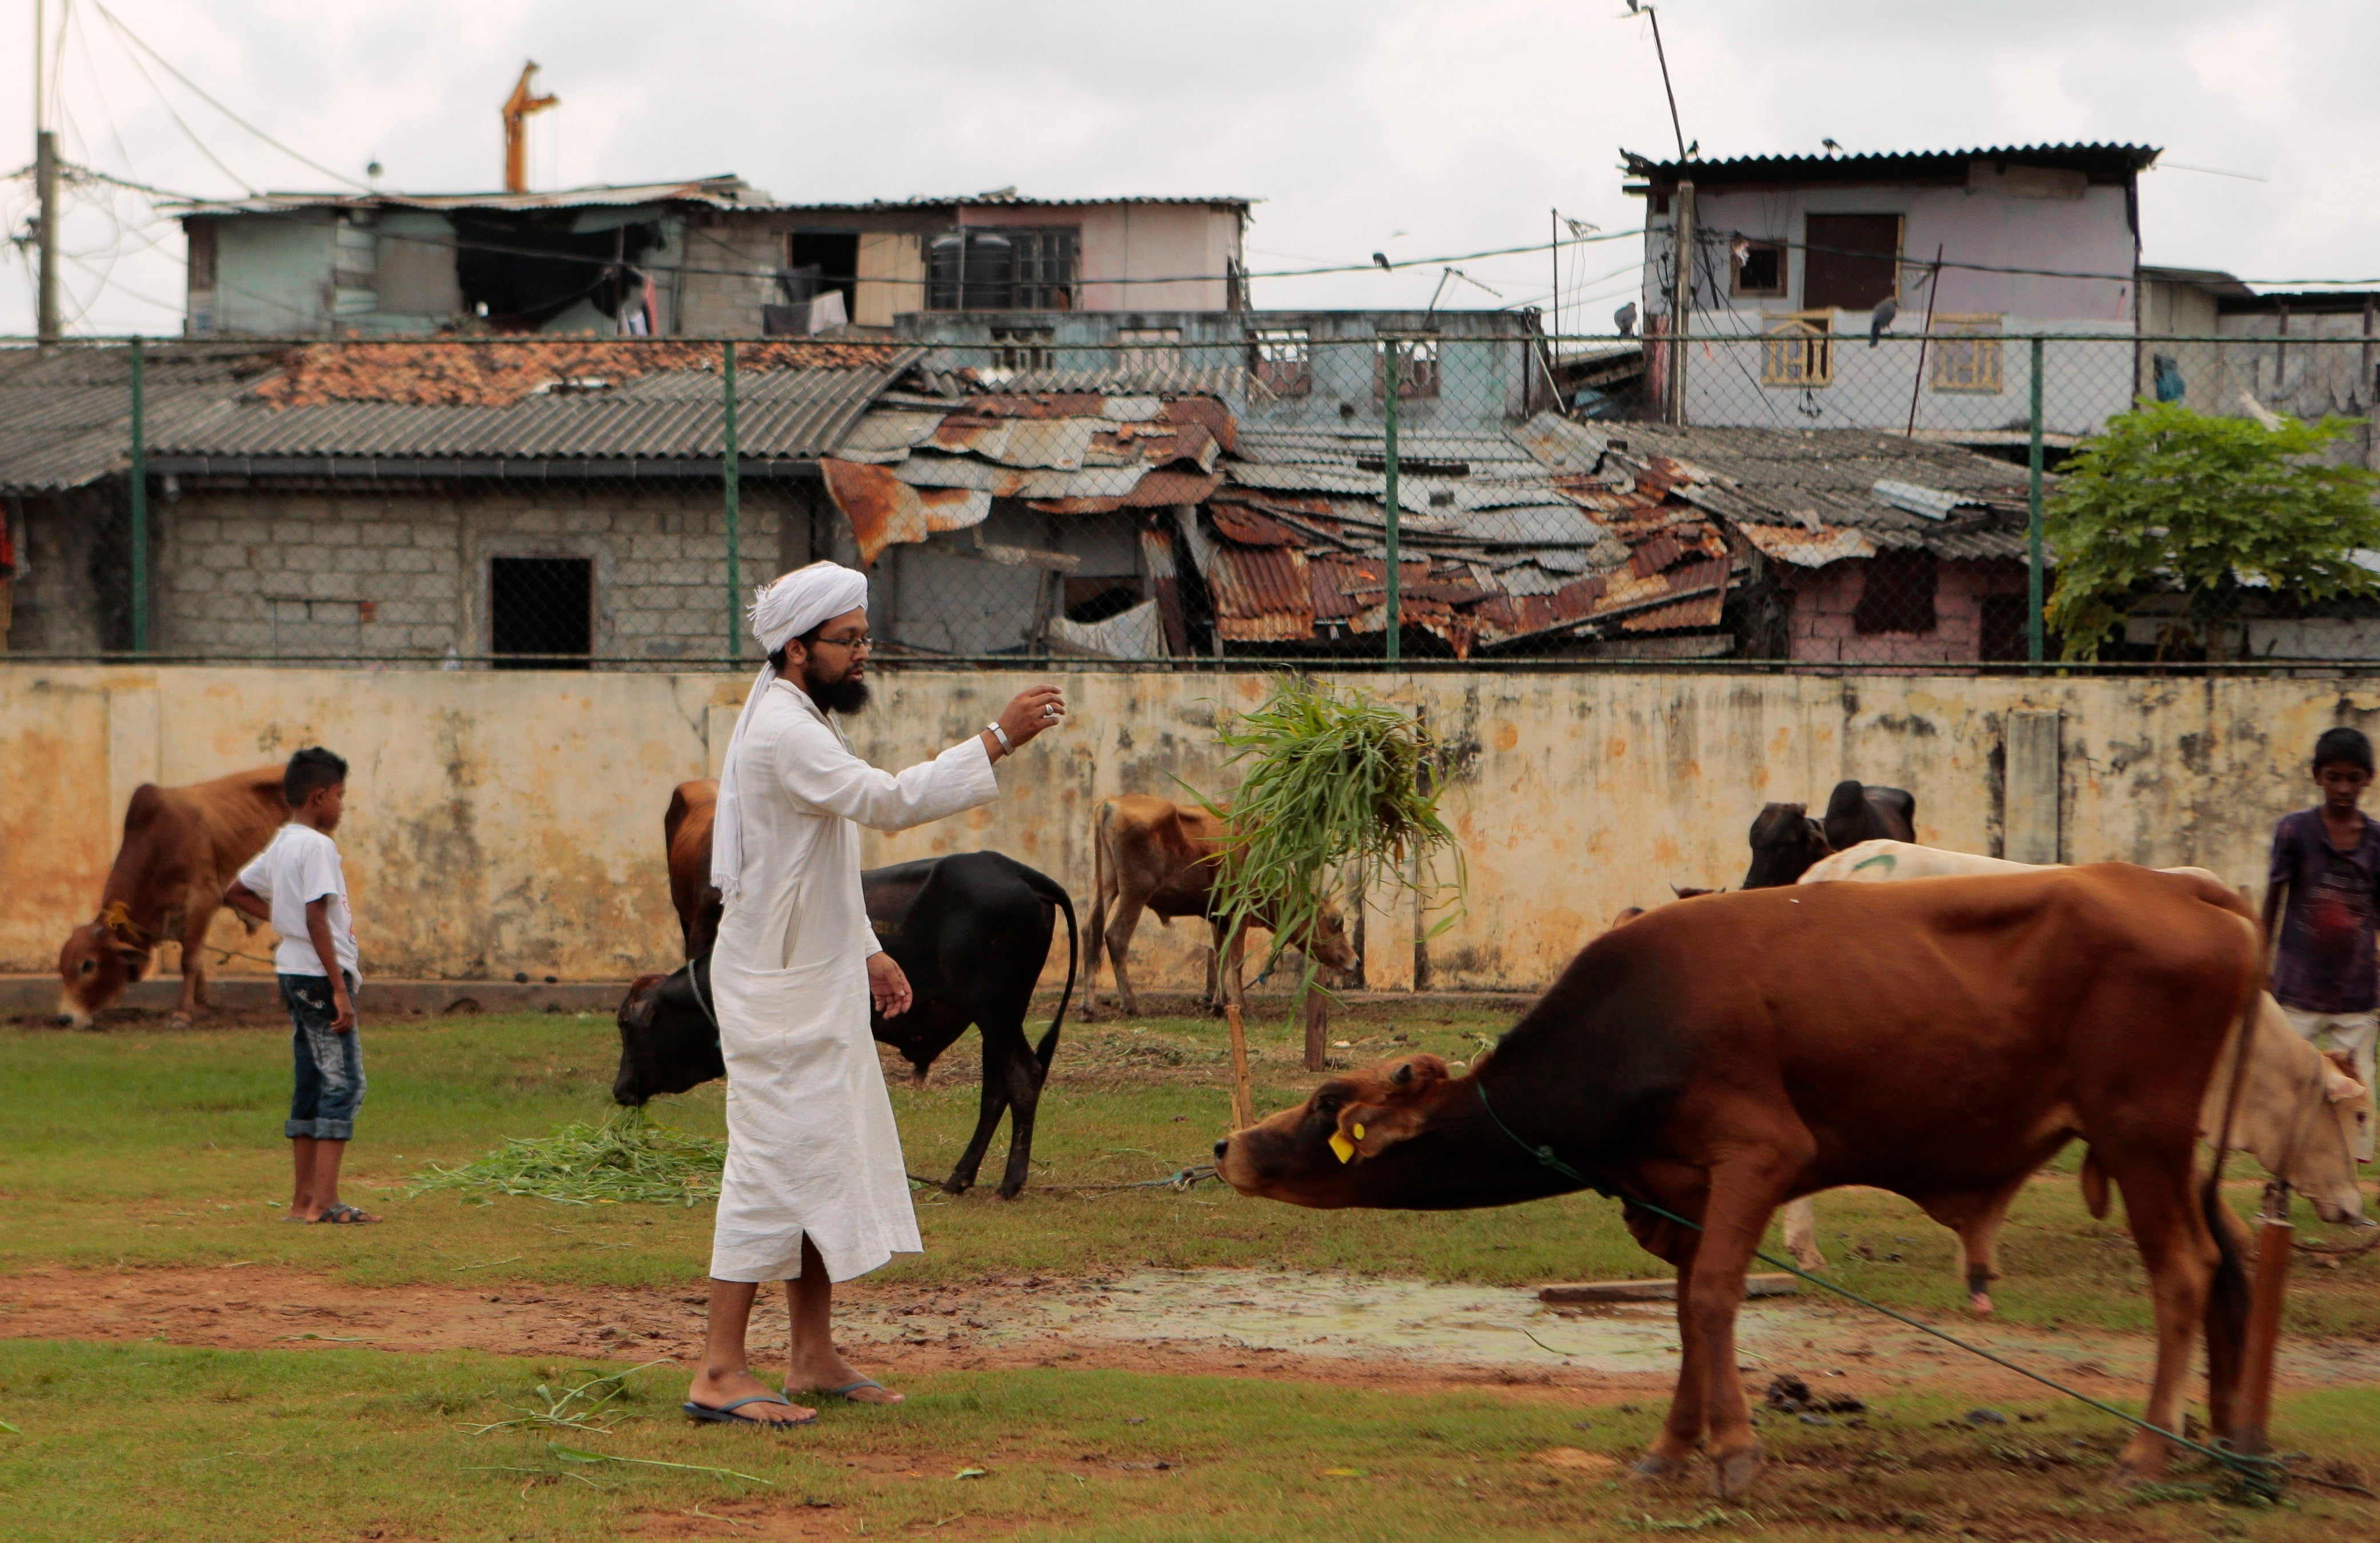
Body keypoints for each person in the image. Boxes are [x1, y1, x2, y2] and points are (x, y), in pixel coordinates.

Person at [684, 561, 1067, 1429]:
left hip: (812, 979)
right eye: (849, 641)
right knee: (768, 1169)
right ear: (796, 647)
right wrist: (994, 742)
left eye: (864, 638)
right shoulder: (786, 729)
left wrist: (867, 950)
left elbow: (816, 857)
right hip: (778, 994)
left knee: (822, 1160)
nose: (864, 654)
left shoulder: (798, 714)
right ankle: (717, 1371)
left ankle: (812, 1357)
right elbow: (883, 804)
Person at [224, 746, 377, 1223]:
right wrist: (337, 987)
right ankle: (325, 1202)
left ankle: (301, 1202)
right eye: (339, 796)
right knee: (343, 1084)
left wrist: (284, 922)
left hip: (293, 970)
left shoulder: (282, 842)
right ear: (319, 797)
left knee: (311, 1080)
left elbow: (236, 891)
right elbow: (315, 914)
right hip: (317, 976)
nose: (342, 806)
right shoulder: (317, 846)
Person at [2261, 725, 2380, 1162]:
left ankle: (2346, 1190)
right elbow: (2273, 900)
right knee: (2290, 1088)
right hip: (2299, 989)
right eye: (2334, 777)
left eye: (2353, 778)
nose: (2344, 788)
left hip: (2357, 993)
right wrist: (2261, 966)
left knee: (2355, 1098)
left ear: (2369, 778)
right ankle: (2280, 1186)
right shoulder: (2295, 832)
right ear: (2317, 777)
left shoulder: (2377, 842)